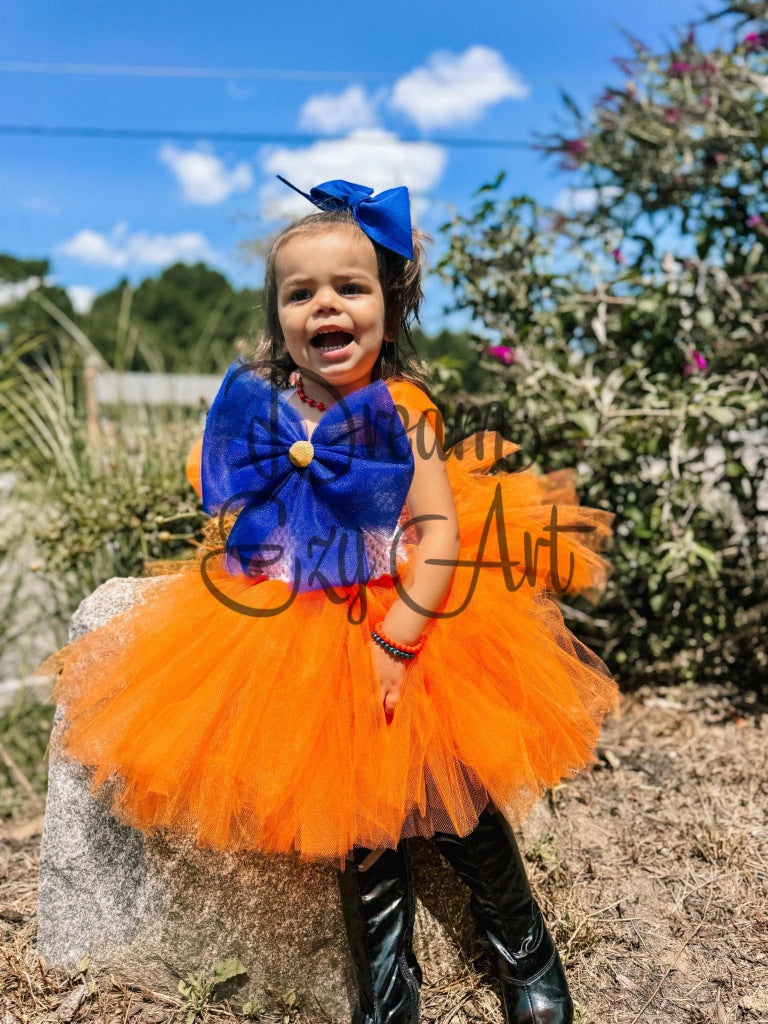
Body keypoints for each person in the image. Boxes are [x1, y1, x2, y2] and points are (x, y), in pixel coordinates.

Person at [37, 176, 621, 1024]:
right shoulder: (277, 408)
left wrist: (398, 638)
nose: (325, 308)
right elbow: (252, 508)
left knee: (455, 791)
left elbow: (441, 537)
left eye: (350, 288)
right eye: (299, 293)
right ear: (278, 316)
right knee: (354, 825)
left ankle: (523, 949)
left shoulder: (406, 410)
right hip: (302, 620)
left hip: (408, 613)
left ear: (390, 300)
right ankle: (389, 995)